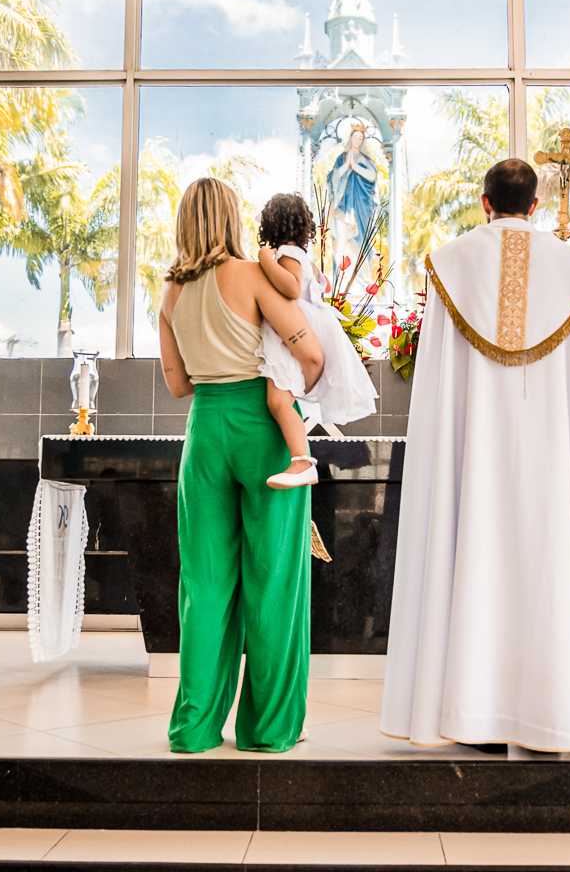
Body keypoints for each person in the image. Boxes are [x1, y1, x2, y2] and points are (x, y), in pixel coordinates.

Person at [381, 158, 570, 756]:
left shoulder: (451, 264)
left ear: (485, 202)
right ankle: (562, 714)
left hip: (472, 457)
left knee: (468, 545)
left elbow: (439, 384)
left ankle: (467, 709)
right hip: (552, 453)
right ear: (536, 205)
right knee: (554, 554)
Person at [159, 177, 324, 754]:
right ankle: (269, 728)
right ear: (231, 218)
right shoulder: (253, 275)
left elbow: (177, 384)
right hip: (261, 428)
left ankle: (194, 728)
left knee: (202, 587)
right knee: (274, 579)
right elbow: (309, 352)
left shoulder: (170, 294)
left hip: (204, 432)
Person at [255, 193, 378, 488]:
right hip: (314, 327)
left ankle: (301, 460)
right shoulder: (301, 256)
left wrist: (264, 260)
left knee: (277, 398)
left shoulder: (287, 254)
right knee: (283, 396)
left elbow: (293, 289)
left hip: (299, 327)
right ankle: (298, 459)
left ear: (273, 225)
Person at [327, 124, 378, 276]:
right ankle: (340, 276)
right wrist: (347, 165)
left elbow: (372, 176)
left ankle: (361, 279)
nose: (357, 140)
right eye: (355, 137)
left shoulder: (366, 159)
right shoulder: (342, 158)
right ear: (351, 138)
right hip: (344, 204)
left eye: (360, 138)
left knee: (361, 239)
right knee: (342, 238)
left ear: (363, 141)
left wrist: (355, 166)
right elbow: (333, 178)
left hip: (362, 207)